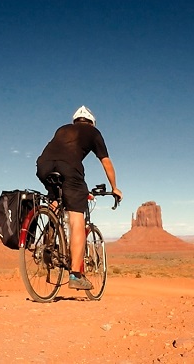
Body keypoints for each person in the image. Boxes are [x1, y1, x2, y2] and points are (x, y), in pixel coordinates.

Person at [36, 105, 122, 290]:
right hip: (70, 169)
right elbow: (106, 161)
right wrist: (115, 188)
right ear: (91, 122)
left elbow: (55, 153)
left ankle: (50, 240)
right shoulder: (93, 132)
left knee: (55, 200)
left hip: (43, 166)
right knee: (77, 220)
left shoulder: (62, 129)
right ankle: (75, 274)